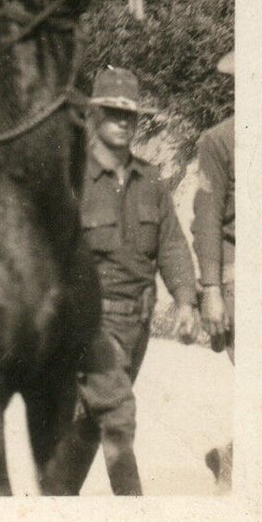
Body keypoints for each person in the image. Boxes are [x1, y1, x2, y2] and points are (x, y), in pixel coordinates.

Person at [56, 66, 201, 496]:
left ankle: (54, 501)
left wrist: (186, 301)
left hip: (137, 325)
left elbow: (171, 245)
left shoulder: (150, 180)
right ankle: (135, 515)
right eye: (112, 113)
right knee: (118, 415)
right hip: (92, 323)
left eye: (129, 115)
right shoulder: (72, 181)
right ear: (94, 116)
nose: (122, 122)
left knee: (92, 420)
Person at [193, 51, 235, 488]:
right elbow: (207, 219)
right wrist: (212, 289)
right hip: (241, 279)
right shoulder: (219, 141)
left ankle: (232, 456)